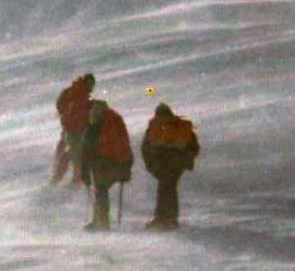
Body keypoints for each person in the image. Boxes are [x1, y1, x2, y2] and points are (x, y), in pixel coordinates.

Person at [140, 102, 200, 230]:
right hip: (177, 164)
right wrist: (186, 160)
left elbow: (146, 148)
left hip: (163, 164)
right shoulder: (181, 127)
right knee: (169, 189)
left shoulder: (155, 127)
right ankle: (170, 218)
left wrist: (151, 165)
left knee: (165, 190)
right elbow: (194, 147)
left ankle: (163, 218)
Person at [81, 99, 133, 231]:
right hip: (120, 166)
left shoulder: (94, 128)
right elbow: (126, 145)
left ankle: (102, 224)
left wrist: (85, 173)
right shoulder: (116, 123)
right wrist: (127, 168)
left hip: (103, 166)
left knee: (101, 191)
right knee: (101, 191)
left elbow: (86, 153)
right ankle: (98, 220)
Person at [51, 73, 95, 186]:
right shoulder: (83, 97)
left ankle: (57, 178)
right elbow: (86, 114)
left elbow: (59, 104)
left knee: (68, 153)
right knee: (76, 157)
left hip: (68, 128)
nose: (92, 88)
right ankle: (74, 183)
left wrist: (64, 117)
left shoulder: (70, 91)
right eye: (91, 85)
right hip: (77, 130)